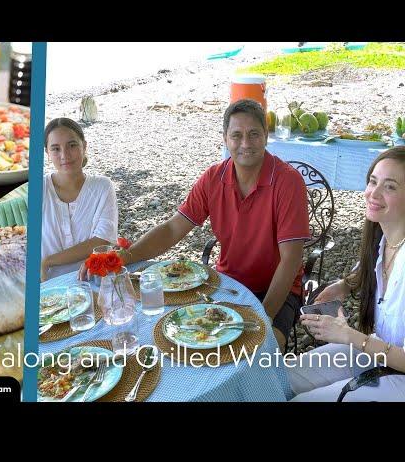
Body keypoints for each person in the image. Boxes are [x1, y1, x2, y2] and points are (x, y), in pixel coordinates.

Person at [81, 99, 311, 348]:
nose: (245, 143)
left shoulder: (288, 182)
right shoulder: (213, 178)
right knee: (186, 336)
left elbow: (291, 260)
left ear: (266, 136)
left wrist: (263, 317)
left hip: (276, 289)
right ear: (225, 138)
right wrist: (127, 255)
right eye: (237, 135)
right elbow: (172, 228)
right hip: (228, 282)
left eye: (254, 134)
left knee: (265, 348)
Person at [289, 146, 405, 401]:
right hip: (377, 349)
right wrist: (343, 286)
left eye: (390, 187)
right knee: (283, 378)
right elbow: (366, 271)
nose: (373, 194)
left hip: (399, 370)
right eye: (373, 181)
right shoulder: (384, 237)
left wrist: (348, 335)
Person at [41, 117, 118, 281]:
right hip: (47, 287)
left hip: (92, 281)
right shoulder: (39, 188)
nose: (65, 155)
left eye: (72, 145)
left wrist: (48, 261)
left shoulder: (102, 186)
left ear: (84, 146)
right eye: (56, 148)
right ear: (47, 152)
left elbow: (102, 240)